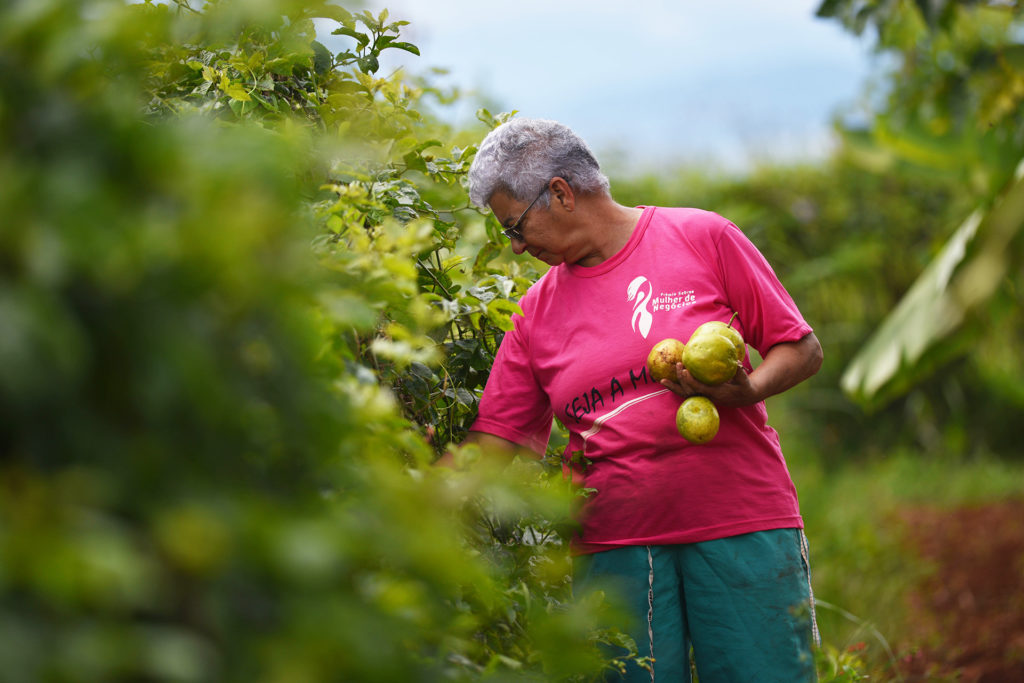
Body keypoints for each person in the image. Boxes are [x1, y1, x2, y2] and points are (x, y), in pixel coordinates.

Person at [459, 117, 823, 682]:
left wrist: (746, 389)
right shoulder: (534, 313)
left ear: (560, 192)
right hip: (614, 549)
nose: (516, 245)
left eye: (516, 226)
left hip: (741, 525)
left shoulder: (702, 237)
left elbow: (799, 347)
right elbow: (497, 438)